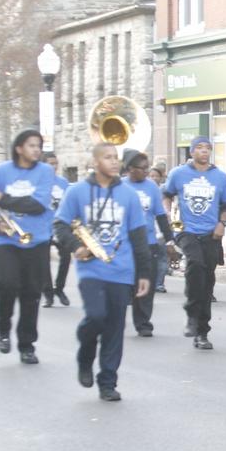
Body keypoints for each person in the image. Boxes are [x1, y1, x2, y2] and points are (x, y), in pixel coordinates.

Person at [54, 143, 151, 402]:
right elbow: (60, 225)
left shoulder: (128, 195)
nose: (114, 162)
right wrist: (77, 246)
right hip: (91, 270)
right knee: (96, 316)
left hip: (121, 271)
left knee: (115, 327)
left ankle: (107, 382)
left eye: (116, 158)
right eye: (108, 157)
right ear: (95, 162)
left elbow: (139, 237)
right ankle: (85, 356)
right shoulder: (77, 192)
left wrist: (144, 274)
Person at [0, 129, 55, 364]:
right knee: (8, 283)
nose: (37, 149)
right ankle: (3, 328)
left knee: (31, 292)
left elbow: (36, 205)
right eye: (31, 145)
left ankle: (27, 344)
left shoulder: (45, 171)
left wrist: (1, 198)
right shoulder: (0, 171)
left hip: (36, 239)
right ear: (19, 148)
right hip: (6, 240)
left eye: (39, 145)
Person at [162, 136, 226, 350]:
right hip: (186, 230)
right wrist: (166, 212)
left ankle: (202, 332)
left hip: (211, 234)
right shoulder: (179, 174)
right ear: (191, 152)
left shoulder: (219, 177)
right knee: (195, 265)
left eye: (208, 148)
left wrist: (222, 224)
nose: (204, 151)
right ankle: (191, 314)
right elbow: (166, 194)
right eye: (200, 148)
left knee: (207, 280)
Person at [123, 151, 174, 337]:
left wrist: (169, 239)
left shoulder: (151, 187)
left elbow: (160, 215)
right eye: (142, 168)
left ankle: (143, 322)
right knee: (126, 284)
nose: (146, 172)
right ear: (130, 169)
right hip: (125, 244)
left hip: (148, 242)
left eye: (147, 168)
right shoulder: (120, 186)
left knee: (147, 284)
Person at [42, 152, 72, 308]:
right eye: (50, 163)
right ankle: (47, 294)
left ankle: (59, 288)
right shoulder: (39, 181)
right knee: (43, 262)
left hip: (61, 226)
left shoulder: (63, 182)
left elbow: (69, 203)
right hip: (44, 227)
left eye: (55, 163)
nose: (53, 166)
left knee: (65, 258)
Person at [148, 166, 170, 293]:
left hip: (160, 229)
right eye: (151, 176)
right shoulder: (143, 191)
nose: (153, 178)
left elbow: (164, 214)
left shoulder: (163, 191)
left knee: (162, 257)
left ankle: (159, 283)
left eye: (156, 176)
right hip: (149, 231)